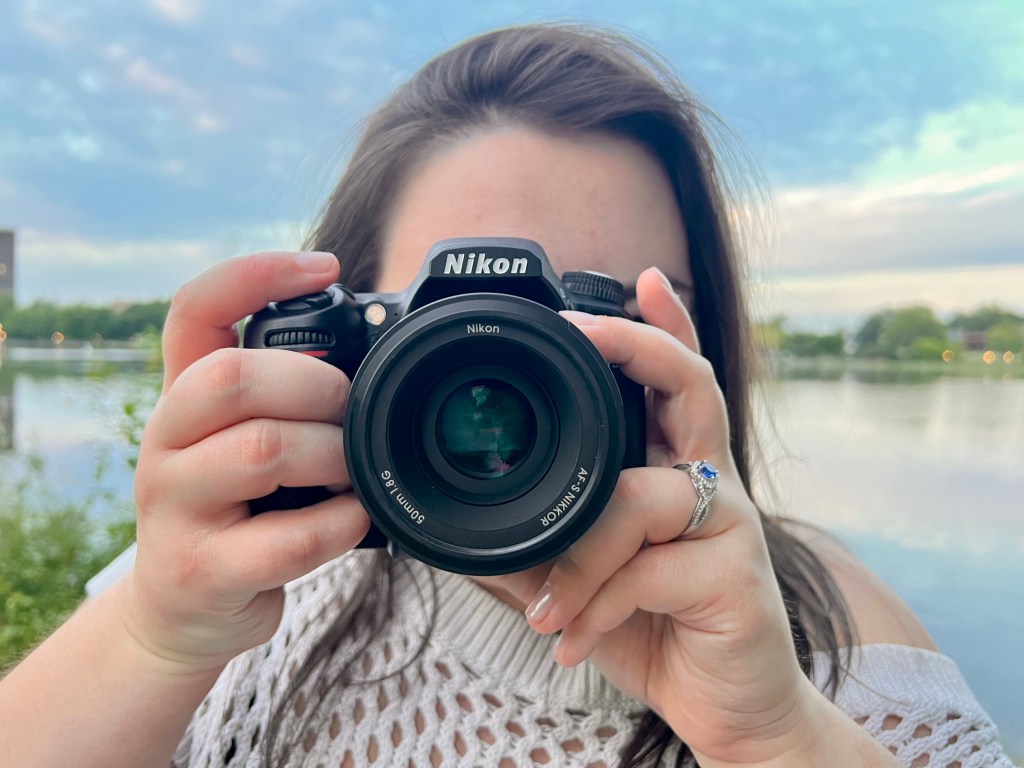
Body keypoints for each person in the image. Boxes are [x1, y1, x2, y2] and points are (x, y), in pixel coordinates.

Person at [0, 23, 1016, 768]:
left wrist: (776, 736)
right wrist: (155, 636)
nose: (528, 368)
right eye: (454, 316)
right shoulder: (245, 577)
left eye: (600, 317)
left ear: (697, 342)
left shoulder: (837, 642)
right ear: (347, 342)